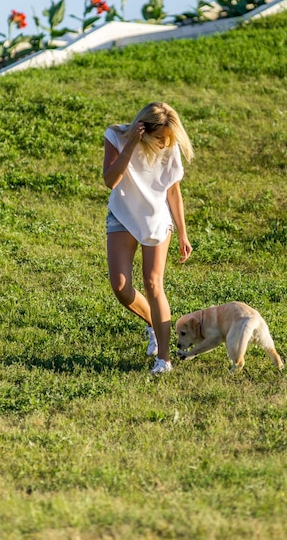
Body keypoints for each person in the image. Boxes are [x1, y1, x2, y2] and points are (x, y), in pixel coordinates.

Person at [103, 102, 194, 374]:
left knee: (154, 284)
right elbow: (110, 180)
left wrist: (183, 232)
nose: (165, 144)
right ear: (143, 130)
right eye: (160, 139)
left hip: (155, 218)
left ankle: (164, 360)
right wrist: (130, 144)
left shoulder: (170, 145)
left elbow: (173, 191)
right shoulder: (117, 136)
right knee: (120, 286)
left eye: (169, 139)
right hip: (122, 215)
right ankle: (155, 325)